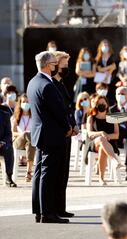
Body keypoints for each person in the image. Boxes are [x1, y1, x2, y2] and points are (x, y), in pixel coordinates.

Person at [27, 51, 72, 223]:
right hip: (52, 135)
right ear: (47, 65)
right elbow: (58, 111)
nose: (56, 67)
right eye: (54, 63)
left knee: (40, 172)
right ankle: (47, 212)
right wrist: (67, 127)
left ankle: (39, 210)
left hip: (41, 134)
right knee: (48, 174)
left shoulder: (33, 82)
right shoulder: (47, 85)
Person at [52, 51, 78, 218]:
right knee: (56, 172)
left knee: (64, 173)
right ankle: (54, 208)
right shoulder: (51, 85)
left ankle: (61, 207)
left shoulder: (61, 84)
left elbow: (69, 109)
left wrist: (74, 126)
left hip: (68, 132)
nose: (66, 69)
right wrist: (66, 127)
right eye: (64, 66)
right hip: (59, 133)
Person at [86, 95, 121, 185]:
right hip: (94, 143)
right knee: (101, 139)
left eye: (103, 103)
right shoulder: (91, 118)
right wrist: (101, 133)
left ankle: (101, 179)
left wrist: (107, 136)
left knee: (103, 147)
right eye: (99, 103)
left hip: (109, 144)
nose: (101, 105)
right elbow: (89, 133)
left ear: (107, 105)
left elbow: (116, 135)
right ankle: (114, 160)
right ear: (96, 105)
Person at [11, 94, 35, 182]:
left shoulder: (34, 117)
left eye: (28, 102)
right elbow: (12, 133)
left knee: (30, 142)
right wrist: (22, 134)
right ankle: (29, 171)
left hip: (30, 142)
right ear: (20, 103)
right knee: (26, 135)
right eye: (24, 102)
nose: (26, 103)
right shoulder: (15, 117)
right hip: (18, 141)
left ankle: (28, 172)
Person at [0, 107, 16, 187]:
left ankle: (8, 177)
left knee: (9, 148)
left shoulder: (5, 115)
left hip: (2, 144)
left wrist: (2, 142)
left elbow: (9, 134)